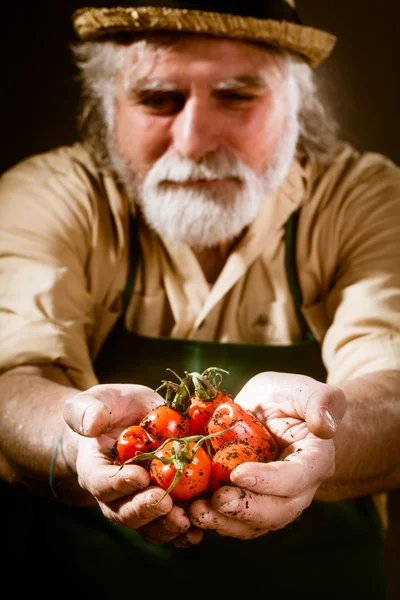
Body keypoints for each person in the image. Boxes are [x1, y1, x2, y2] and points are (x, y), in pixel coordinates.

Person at [1, 1, 399, 597]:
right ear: (108, 107)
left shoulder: (366, 201)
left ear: (295, 104)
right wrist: (79, 442)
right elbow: (10, 380)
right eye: (159, 99)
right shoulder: (50, 196)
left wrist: (329, 437)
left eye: (237, 97)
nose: (194, 139)